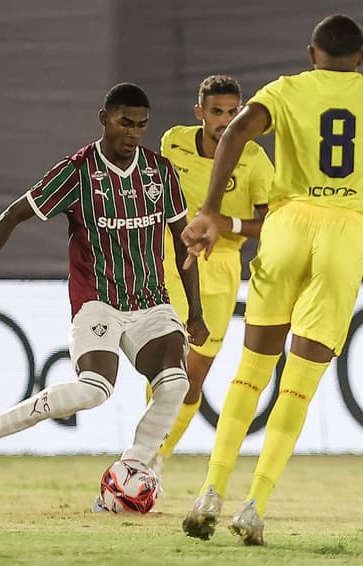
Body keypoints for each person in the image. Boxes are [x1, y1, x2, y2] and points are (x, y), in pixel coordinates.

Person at [180, 15, 363, 545]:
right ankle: (254, 507)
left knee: (251, 372)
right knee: (298, 385)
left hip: (286, 224)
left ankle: (210, 490)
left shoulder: (286, 89)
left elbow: (237, 130)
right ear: (361, 58)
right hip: (346, 233)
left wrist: (209, 208)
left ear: (311, 54)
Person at [0, 83, 210, 508]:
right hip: (97, 301)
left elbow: (183, 244)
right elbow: (13, 215)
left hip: (151, 302)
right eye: (125, 122)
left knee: (177, 382)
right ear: (104, 118)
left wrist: (195, 311)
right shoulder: (77, 172)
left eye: (142, 125)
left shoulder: (160, 172)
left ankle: (129, 470)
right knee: (94, 390)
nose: (134, 133)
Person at [149, 75, 274, 479]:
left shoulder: (254, 159)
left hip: (221, 266)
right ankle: (144, 459)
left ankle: (156, 456)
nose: (225, 120)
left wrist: (226, 223)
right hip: (171, 257)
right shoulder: (174, 142)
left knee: (193, 374)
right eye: (217, 112)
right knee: (165, 359)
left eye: (233, 112)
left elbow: (272, 224)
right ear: (200, 112)